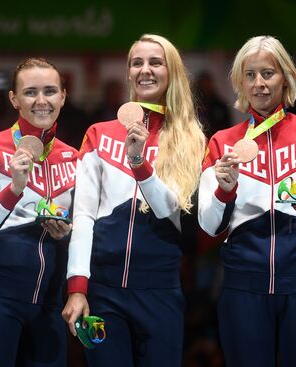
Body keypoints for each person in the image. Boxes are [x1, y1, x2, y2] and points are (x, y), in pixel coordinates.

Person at [198, 35, 296, 367]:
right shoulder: (222, 142)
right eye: (250, 75)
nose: (260, 84)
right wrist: (225, 190)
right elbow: (209, 226)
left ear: (286, 76)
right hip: (243, 286)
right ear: (240, 82)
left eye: (268, 73)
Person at [61, 34, 206, 366]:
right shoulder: (99, 133)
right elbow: (83, 215)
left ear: (171, 72)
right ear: (127, 73)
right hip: (103, 291)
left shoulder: (191, 139)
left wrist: (139, 165)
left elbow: (172, 210)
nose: (145, 70)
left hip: (161, 291)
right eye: (137, 62)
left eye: (156, 62)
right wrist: (78, 287)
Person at [0, 57, 77, 366]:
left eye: (50, 91)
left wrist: (68, 233)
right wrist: (13, 189)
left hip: (49, 303)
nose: (41, 101)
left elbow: (84, 228)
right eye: (30, 92)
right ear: (14, 99)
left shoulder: (74, 158)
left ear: (63, 96)